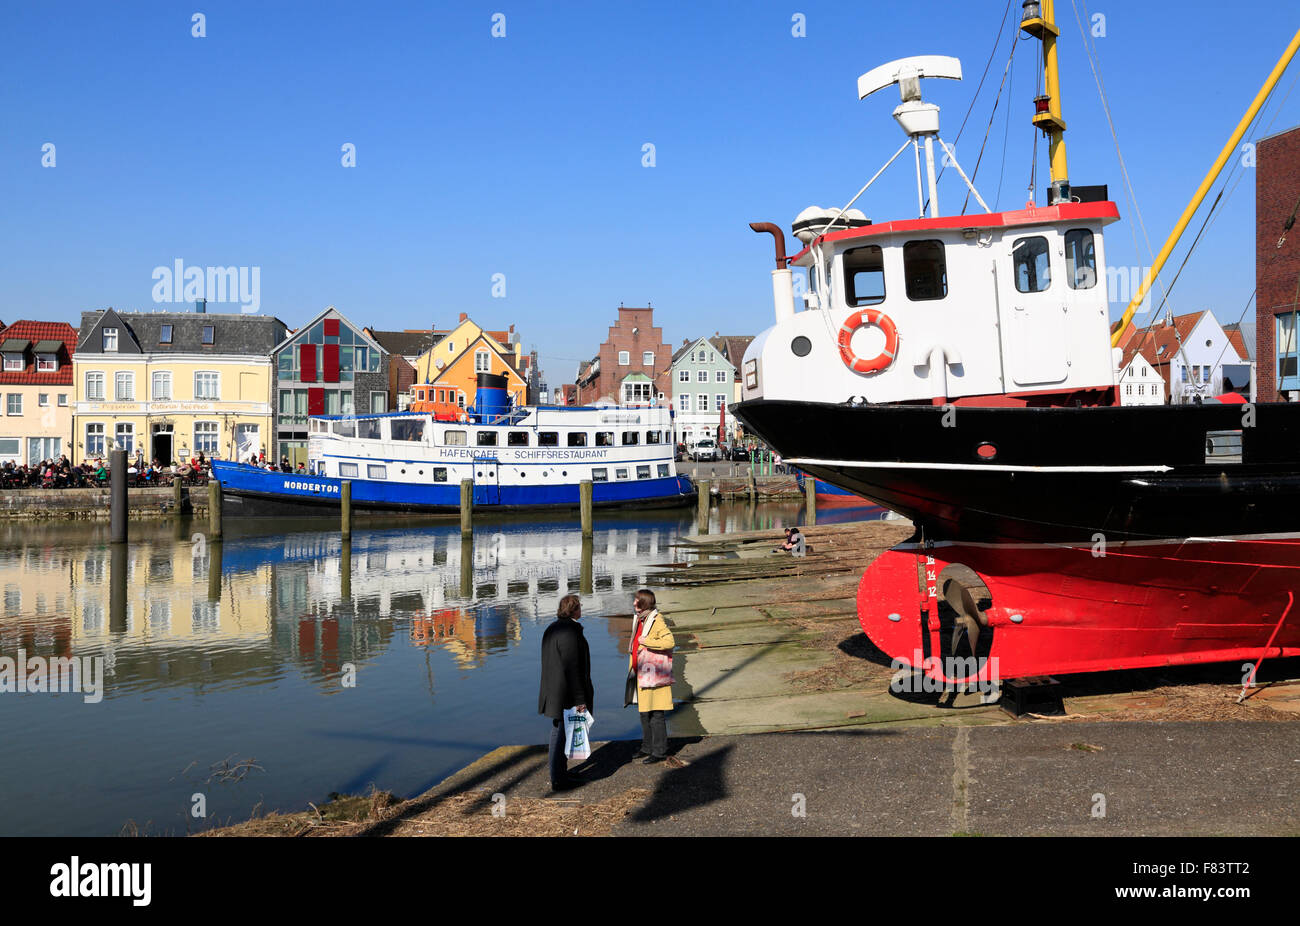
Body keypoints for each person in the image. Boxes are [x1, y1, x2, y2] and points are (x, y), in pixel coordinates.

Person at [538, 594, 594, 791]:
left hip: (552, 689)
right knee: (561, 733)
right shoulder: (570, 632)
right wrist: (580, 699)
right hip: (566, 693)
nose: (581, 610)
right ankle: (559, 779)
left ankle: (559, 773)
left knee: (558, 732)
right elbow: (573, 668)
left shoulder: (552, 628)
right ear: (575, 610)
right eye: (579, 607)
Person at [629, 588, 676, 764]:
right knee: (644, 712)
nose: (634, 603)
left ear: (645, 603)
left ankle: (660, 751)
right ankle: (647, 747)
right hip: (642, 673)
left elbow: (669, 641)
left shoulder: (656, 620)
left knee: (656, 713)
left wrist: (646, 641)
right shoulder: (642, 619)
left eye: (637, 600)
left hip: (654, 675)